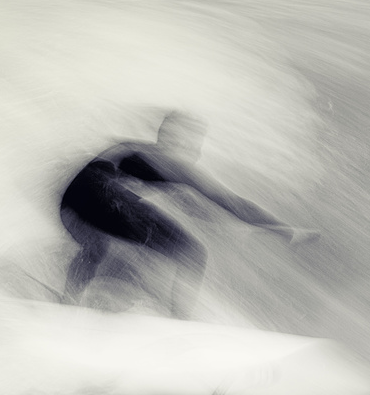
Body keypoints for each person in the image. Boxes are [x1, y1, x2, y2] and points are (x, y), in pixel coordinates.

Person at [58, 111, 317, 319]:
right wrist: (284, 229)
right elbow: (233, 203)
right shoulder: (174, 164)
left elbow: (189, 207)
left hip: (71, 201)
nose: (195, 149)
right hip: (105, 197)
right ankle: (179, 322)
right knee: (192, 252)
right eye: (192, 141)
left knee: (96, 247)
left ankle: (68, 301)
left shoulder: (132, 148)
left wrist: (230, 225)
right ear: (180, 140)